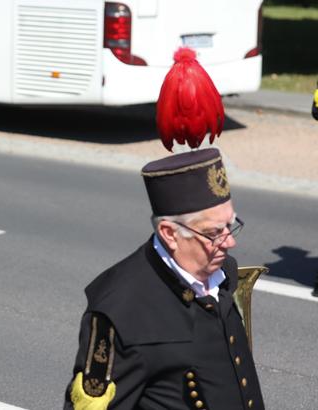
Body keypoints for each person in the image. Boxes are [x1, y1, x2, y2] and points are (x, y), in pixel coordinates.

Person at [65, 148, 265, 410]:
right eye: (214, 233)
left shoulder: (224, 271)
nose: (230, 241)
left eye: (230, 224)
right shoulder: (120, 310)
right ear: (170, 233)